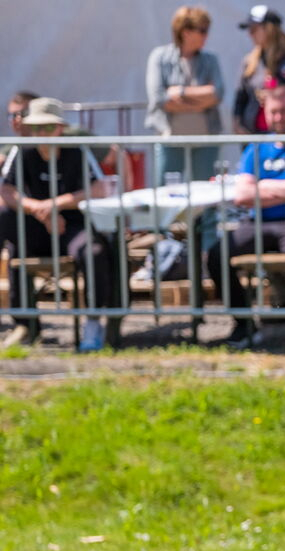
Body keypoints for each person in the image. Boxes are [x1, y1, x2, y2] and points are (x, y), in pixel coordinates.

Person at [207, 85, 285, 349]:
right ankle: (243, 323)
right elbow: (242, 195)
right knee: (217, 254)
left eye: (284, 111)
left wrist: (263, 188)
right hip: (259, 222)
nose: (279, 117)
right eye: (273, 112)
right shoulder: (257, 147)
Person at [0, 97, 120, 351]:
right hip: (35, 227)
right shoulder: (22, 151)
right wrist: (40, 210)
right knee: (8, 229)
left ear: (60, 128)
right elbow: (7, 192)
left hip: (72, 226)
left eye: (47, 127)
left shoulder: (77, 150)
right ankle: (25, 326)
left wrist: (55, 205)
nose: (41, 134)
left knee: (94, 252)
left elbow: (100, 188)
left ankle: (93, 322)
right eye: (36, 127)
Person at [145, 5, 224, 185]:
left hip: (205, 140)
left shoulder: (210, 60)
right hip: (170, 140)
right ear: (185, 32)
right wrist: (202, 100)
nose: (206, 36)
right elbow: (160, 99)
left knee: (205, 194)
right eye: (202, 30)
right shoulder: (160, 57)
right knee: (166, 194)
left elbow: (217, 94)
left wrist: (180, 93)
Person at [232, 6, 285, 135]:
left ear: (269, 29)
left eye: (254, 29)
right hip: (255, 136)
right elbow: (240, 99)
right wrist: (238, 125)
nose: (250, 34)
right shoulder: (249, 62)